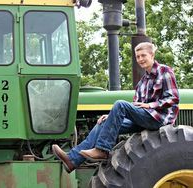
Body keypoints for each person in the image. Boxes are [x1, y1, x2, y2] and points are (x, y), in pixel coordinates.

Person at [52, 42, 179, 173]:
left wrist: (150, 105)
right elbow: (136, 106)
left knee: (120, 104)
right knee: (104, 122)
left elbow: (173, 98)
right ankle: (72, 160)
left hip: (158, 119)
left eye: (143, 55)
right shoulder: (142, 82)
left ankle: (102, 150)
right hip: (144, 119)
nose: (140, 59)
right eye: (138, 56)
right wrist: (112, 116)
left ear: (152, 55)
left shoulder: (164, 71)